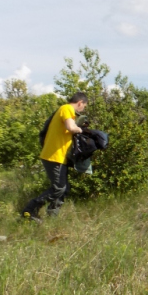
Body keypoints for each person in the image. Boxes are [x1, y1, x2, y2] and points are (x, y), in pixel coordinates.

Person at [22, 92, 88, 222]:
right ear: (80, 103)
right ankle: (29, 211)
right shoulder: (66, 108)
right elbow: (70, 127)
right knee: (59, 188)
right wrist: (80, 129)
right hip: (53, 156)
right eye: (84, 106)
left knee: (63, 189)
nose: (83, 109)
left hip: (58, 157)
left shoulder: (66, 110)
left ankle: (52, 218)